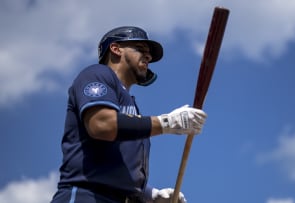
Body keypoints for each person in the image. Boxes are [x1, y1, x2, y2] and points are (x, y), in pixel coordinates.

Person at [50, 26, 207, 203]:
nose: (148, 57)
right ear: (116, 49)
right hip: (86, 196)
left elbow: (116, 166)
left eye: (149, 55)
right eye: (141, 49)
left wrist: (150, 195)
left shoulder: (131, 108)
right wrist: (167, 123)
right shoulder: (97, 74)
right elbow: (102, 124)